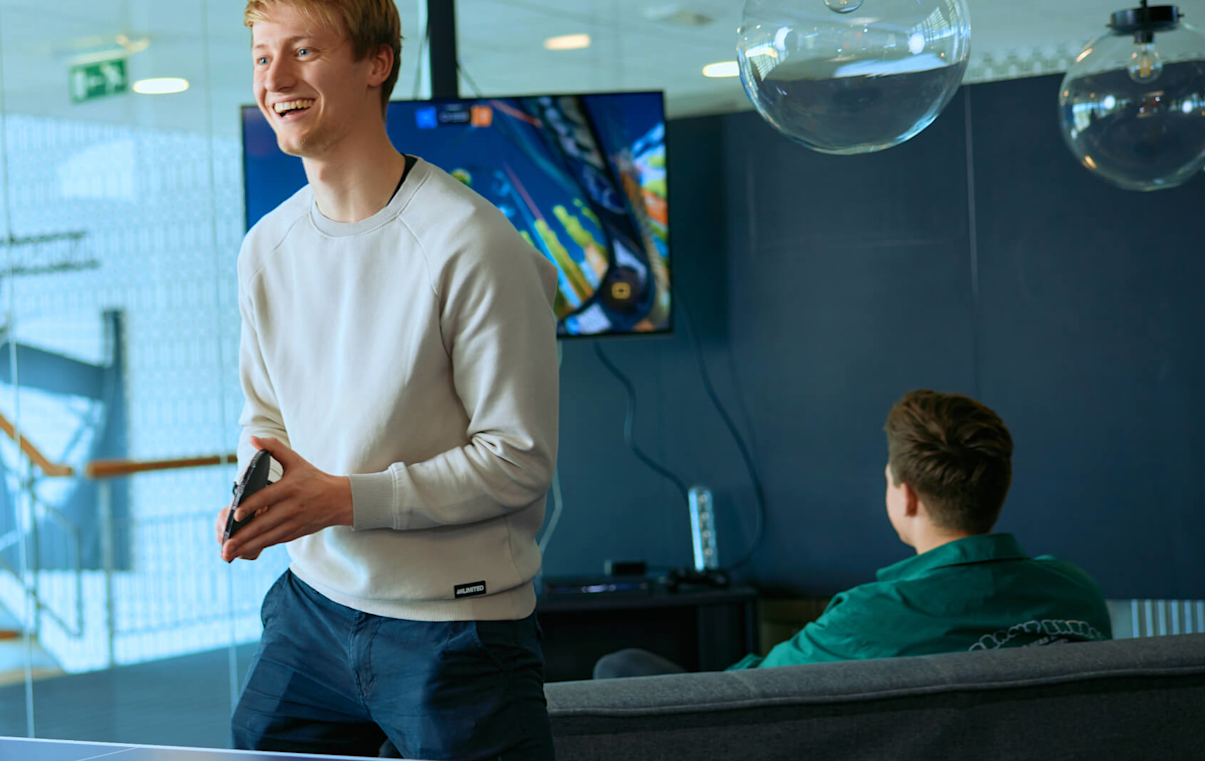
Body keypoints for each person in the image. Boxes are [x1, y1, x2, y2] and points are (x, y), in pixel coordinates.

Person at [222, 1, 561, 757]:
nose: (275, 79)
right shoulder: (264, 247)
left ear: (377, 64)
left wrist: (343, 498)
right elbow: (265, 413)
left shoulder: (472, 243)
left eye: (304, 51)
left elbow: (519, 459)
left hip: (455, 629)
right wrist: (258, 489)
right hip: (311, 610)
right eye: (263, 56)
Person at [596, 390, 1112, 679]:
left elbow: (747, 691)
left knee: (621, 668)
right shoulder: (1076, 594)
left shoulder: (869, 617)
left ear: (905, 496)